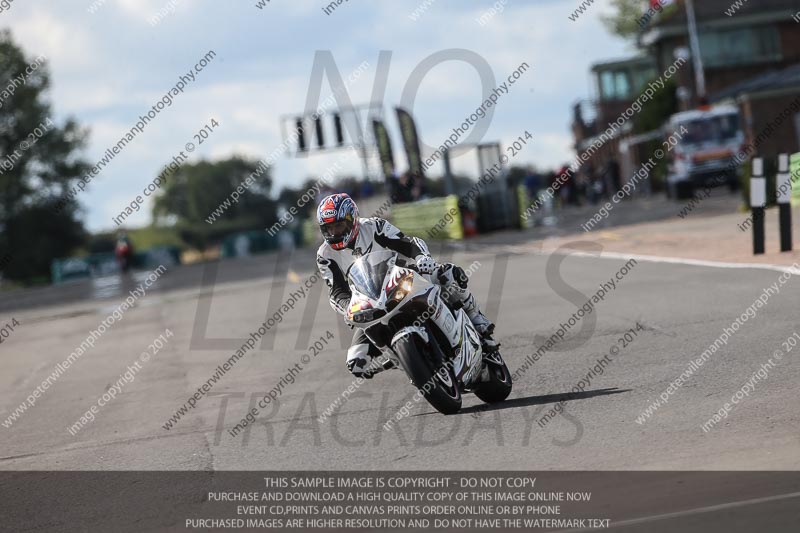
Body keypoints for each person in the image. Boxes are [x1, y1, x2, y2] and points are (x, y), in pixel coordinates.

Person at [315, 192, 496, 379]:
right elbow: (336, 291)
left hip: (400, 277)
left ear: (352, 219)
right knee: (356, 362)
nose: (334, 232)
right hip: (368, 300)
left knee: (447, 273)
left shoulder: (374, 226)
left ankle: (478, 322)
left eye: (339, 225)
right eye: (329, 228)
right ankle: (407, 361)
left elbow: (408, 244)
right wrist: (347, 308)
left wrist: (422, 258)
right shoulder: (325, 255)